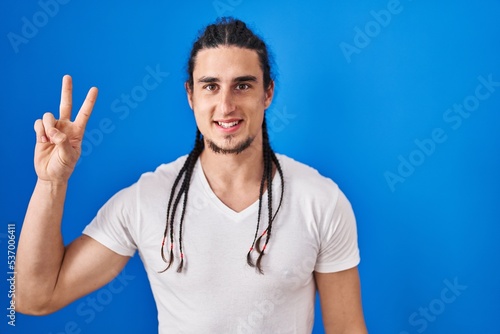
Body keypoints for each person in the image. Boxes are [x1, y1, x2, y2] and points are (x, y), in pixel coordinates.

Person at [16, 17, 367, 333]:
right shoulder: (147, 199)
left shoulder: (319, 200)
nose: (226, 105)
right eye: (211, 86)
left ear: (268, 93)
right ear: (191, 95)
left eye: (243, 86)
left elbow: (347, 328)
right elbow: (33, 298)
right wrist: (51, 182)